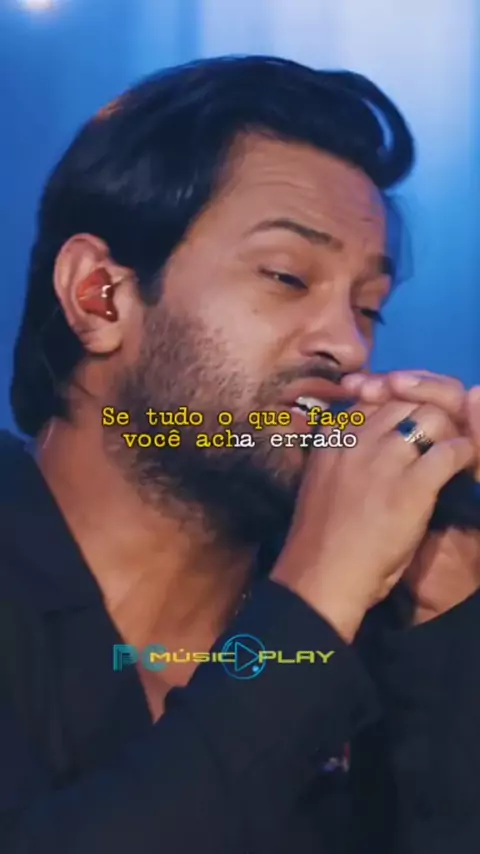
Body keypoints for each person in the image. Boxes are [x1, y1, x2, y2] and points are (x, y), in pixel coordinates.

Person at [1, 54, 479, 854]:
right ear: (99, 296)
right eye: (288, 276)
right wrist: (316, 596)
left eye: (369, 308)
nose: (346, 346)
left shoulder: (375, 638)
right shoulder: (322, 609)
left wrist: (447, 626)